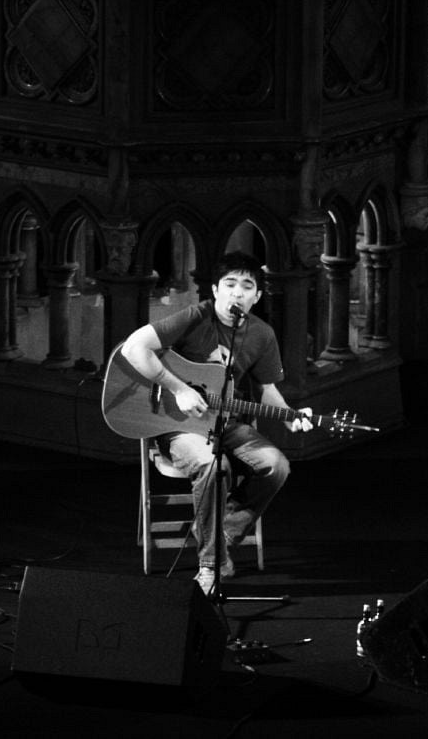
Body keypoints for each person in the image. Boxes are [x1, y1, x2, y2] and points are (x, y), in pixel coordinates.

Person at [120, 250, 312, 595]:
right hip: (179, 426)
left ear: (257, 296)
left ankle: (220, 533)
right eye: (230, 284)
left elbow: (267, 389)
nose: (237, 292)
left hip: (228, 424)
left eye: (247, 286)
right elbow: (133, 348)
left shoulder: (262, 334)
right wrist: (178, 389)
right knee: (212, 464)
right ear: (215, 289)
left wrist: (289, 416)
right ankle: (209, 565)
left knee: (276, 466)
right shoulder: (196, 317)